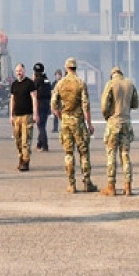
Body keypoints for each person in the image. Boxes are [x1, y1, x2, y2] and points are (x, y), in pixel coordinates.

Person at [51, 57, 97, 194]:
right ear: (76, 68)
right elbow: (86, 105)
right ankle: (87, 182)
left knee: (68, 153)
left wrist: (61, 117)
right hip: (79, 122)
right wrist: (89, 124)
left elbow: (54, 105)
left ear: (66, 68)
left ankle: (71, 184)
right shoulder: (81, 83)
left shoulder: (60, 84)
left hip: (65, 122)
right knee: (84, 153)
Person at [100, 66, 138, 196]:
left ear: (112, 75)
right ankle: (128, 186)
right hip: (126, 123)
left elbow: (104, 105)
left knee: (111, 154)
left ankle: (111, 186)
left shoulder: (110, 84)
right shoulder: (130, 83)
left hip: (113, 122)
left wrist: (107, 116)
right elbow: (136, 104)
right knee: (125, 154)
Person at [9, 63, 37, 172]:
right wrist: (11, 115)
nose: (18, 73)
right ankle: (21, 157)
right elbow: (12, 100)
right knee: (18, 140)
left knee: (26, 140)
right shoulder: (14, 84)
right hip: (17, 116)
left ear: (24, 71)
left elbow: (34, 98)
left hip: (27, 116)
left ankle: (26, 161)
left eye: (20, 70)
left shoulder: (30, 83)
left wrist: (35, 114)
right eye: (17, 71)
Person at [33, 63, 52, 151]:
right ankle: (39, 144)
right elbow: (50, 92)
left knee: (40, 126)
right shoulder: (46, 80)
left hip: (39, 103)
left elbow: (33, 92)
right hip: (47, 104)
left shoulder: (37, 81)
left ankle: (45, 145)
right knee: (43, 124)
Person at [51, 69, 63, 133]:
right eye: (56, 75)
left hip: (61, 100)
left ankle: (63, 127)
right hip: (56, 101)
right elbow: (51, 92)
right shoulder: (53, 83)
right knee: (55, 115)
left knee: (62, 115)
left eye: (59, 75)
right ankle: (55, 128)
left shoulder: (63, 82)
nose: (58, 76)